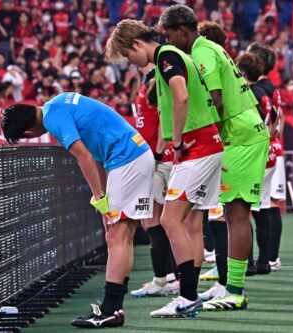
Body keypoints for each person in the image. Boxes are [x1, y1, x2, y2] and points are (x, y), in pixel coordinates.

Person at [1, 92, 155, 328]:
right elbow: (97, 156)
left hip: (128, 160)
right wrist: (103, 194)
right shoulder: (57, 102)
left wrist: (99, 197)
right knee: (121, 234)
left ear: (28, 134)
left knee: (117, 236)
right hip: (131, 156)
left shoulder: (53, 120)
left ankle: (109, 309)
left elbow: (83, 156)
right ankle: (114, 307)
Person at [106, 19, 223, 318]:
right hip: (205, 145)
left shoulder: (166, 56)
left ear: (135, 45)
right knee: (188, 224)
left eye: (128, 56)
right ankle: (189, 295)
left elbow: (181, 97)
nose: (131, 63)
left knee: (171, 220)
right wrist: (161, 148)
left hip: (196, 147)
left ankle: (186, 296)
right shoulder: (169, 58)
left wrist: (178, 139)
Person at [158, 6, 269, 311]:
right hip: (241, 132)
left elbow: (216, 101)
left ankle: (234, 290)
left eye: (168, 34)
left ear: (182, 29)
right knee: (229, 214)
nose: (168, 41)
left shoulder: (201, 51)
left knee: (235, 214)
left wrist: (206, 138)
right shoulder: (208, 48)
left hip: (240, 135)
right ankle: (227, 286)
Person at [130, 63, 179, 297]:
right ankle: (168, 277)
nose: (129, 59)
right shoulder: (150, 78)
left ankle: (163, 280)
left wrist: (158, 153)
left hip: (159, 159)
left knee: (153, 220)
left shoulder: (156, 79)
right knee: (156, 220)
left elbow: (164, 116)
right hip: (156, 156)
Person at [236, 52, 279, 276]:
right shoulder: (264, 92)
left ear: (242, 73)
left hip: (254, 155)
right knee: (262, 209)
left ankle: (250, 263)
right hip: (269, 152)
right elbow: (276, 122)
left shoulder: (247, 94)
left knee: (243, 211)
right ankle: (264, 261)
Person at [247, 43, 286, 272]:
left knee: (267, 204)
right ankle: (270, 257)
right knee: (269, 203)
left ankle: (269, 257)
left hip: (266, 149)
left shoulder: (259, 90)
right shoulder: (272, 88)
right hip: (275, 147)